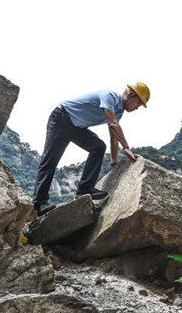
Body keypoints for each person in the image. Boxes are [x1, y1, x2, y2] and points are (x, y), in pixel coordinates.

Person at [32, 83, 150, 215]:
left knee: (98, 147)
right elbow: (113, 124)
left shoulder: (118, 112)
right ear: (130, 95)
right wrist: (127, 147)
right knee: (50, 161)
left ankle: (85, 188)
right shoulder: (109, 96)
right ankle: (39, 203)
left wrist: (114, 161)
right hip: (61, 119)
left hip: (77, 128)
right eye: (138, 103)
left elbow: (113, 136)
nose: (137, 108)